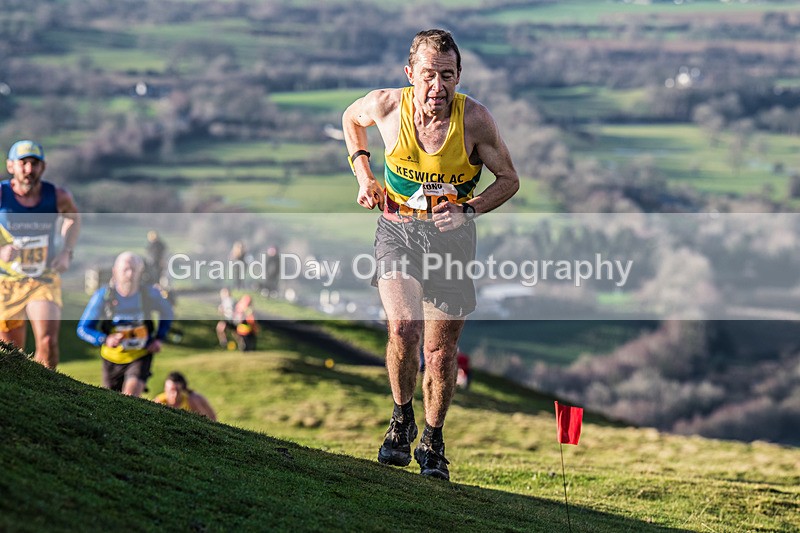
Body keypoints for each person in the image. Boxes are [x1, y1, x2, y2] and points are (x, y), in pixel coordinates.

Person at [342, 29, 519, 481]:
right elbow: (350, 119)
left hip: (451, 242)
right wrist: (364, 176)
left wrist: (468, 209)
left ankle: (433, 441)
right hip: (397, 230)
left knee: (440, 354)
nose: (437, 87)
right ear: (410, 75)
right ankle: (401, 420)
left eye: (447, 76)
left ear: (458, 77)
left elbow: (508, 179)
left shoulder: (475, 120)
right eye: (427, 76)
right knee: (403, 327)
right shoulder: (387, 105)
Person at [0, 140, 81, 369]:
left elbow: (73, 218)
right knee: (12, 354)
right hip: (7, 282)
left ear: (42, 167)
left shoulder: (57, 196)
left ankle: (50, 394)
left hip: (43, 278)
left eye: (34, 164)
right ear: (10, 166)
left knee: (48, 341)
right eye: (23, 163)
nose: (28, 170)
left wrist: (67, 251)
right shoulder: (1, 195)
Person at [77, 251, 174, 397]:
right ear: (115, 271)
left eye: (134, 270)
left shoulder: (149, 294)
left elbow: (168, 313)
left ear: (140, 272)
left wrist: (159, 338)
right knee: (111, 402)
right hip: (111, 358)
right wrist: (104, 339)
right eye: (125, 269)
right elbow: (83, 329)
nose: (129, 274)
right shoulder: (103, 296)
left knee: (130, 396)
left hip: (140, 354)